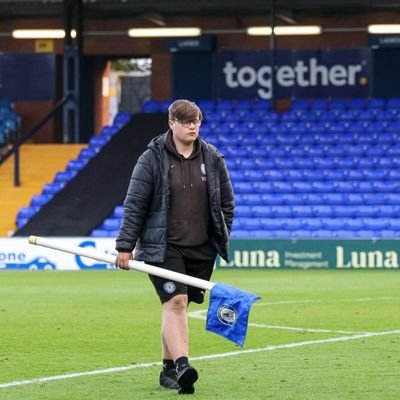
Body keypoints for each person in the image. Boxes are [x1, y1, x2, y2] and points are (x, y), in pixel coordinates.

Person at [114, 99, 234, 394]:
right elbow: (135, 204)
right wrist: (125, 246)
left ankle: (168, 370)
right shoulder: (151, 159)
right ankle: (183, 366)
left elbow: (226, 203)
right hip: (163, 248)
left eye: (196, 121)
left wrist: (220, 234)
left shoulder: (213, 158)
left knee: (180, 305)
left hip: (201, 249)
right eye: (186, 121)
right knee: (175, 302)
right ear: (172, 124)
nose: (193, 126)